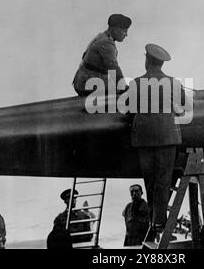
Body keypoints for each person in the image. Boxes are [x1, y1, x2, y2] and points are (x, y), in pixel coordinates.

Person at [129, 44, 192, 236]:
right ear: (161, 63)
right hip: (167, 137)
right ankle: (159, 222)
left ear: (147, 61)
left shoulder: (136, 83)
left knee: (149, 181)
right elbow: (186, 106)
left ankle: (153, 221)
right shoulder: (172, 82)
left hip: (144, 139)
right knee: (163, 180)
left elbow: (131, 109)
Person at [72, 14, 132, 96]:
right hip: (86, 84)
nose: (126, 35)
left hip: (83, 80)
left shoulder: (102, 36)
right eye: (124, 31)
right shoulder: (106, 43)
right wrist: (123, 86)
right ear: (115, 29)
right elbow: (113, 67)